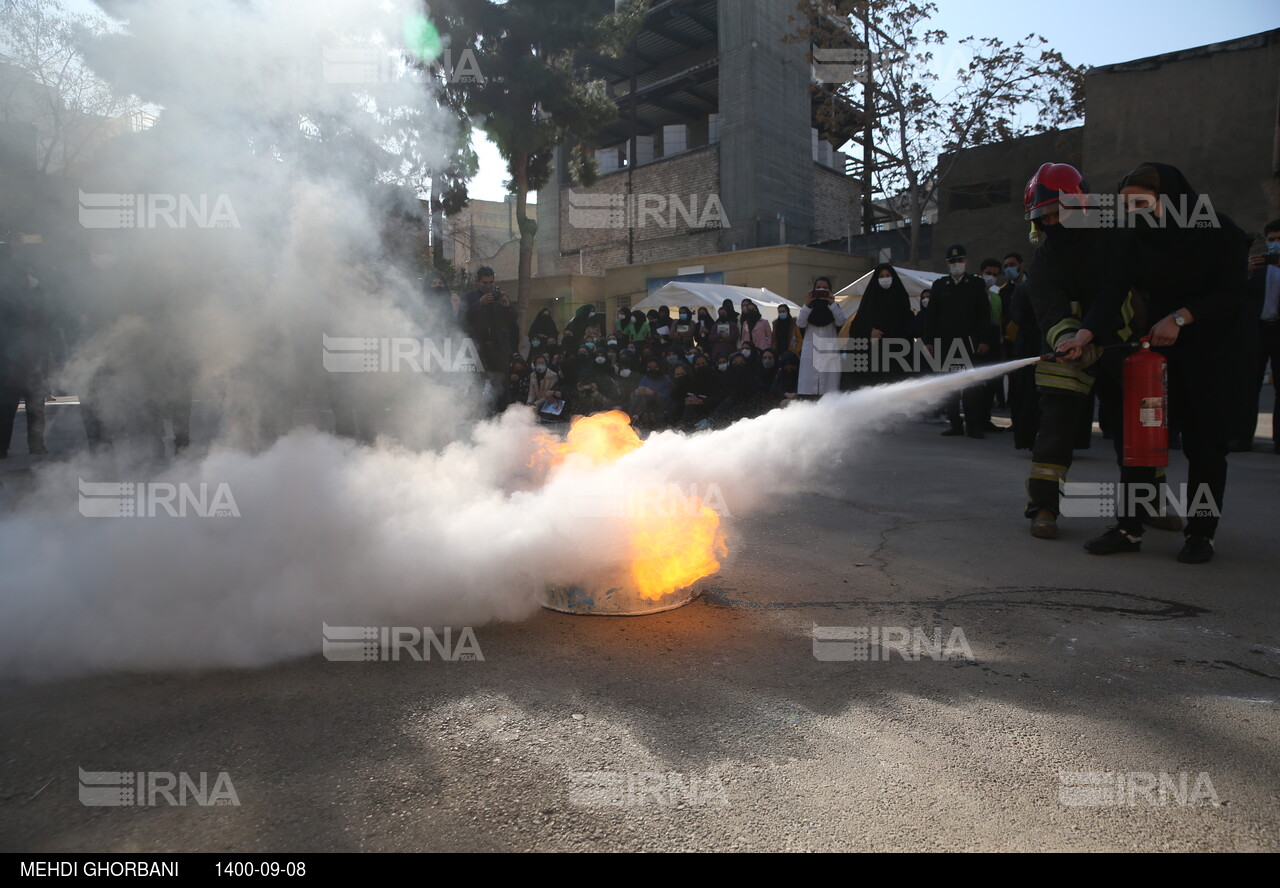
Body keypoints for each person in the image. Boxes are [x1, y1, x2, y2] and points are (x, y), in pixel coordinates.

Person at [1056, 162, 1250, 564]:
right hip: (1158, 356)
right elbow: (1111, 294)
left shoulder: (1219, 231)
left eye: (1142, 202)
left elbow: (1233, 294)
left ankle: (1201, 532)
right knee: (1139, 443)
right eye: (1128, 205)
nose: (1135, 211)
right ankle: (1128, 528)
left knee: (1204, 447)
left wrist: (1181, 317)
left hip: (1213, 353)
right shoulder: (1135, 239)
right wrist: (1084, 334)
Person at [925, 246, 993, 437]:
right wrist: (929, 341)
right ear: (948, 264)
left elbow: (984, 315)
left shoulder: (976, 284)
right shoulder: (939, 285)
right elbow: (931, 316)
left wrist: (984, 340)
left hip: (969, 344)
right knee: (950, 385)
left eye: (959, 261)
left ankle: (973, 426)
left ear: (966, 262)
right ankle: (955, 424)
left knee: (971, 386)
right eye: (952, 262)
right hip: (946, 345)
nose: (956, 265)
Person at [0, 243, 48, 458]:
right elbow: (43, 314)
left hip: (7, 351)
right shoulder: (31, 281)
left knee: (6, 404)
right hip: (31, 348)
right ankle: (36, 445)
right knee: (35, 401)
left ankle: (1, 447)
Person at [1239, 219, 1280, 454]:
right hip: (1257, 330)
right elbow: (1237, 294)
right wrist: (1245, 273)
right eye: (1271, 239)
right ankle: (1242, 437)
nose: (1275, 244)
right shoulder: (1258, 267)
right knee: (1247, 384)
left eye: (1279, 239)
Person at [845, 263, 914, 387]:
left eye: (888, 275)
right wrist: (869, 331)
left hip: (898, 355)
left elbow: (908, 324)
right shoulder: (870, 299)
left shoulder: (901, 297)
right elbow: (855, 328)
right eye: (881, 276)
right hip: (874, 356)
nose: (885, 278)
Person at [462, 266, 518, 408]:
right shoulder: (469, 297)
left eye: (490, 282)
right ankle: (474, 417)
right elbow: (462, 318)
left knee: (502, 387)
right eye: (484, 283)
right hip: (477, 349)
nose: (488, 286)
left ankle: (503, 417)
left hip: (498, 349)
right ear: (477, 281)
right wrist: (479, 304)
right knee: (476, 385)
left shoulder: (499, 297)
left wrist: (507, 306)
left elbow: (513, 320)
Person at [797, 276, 847, 397]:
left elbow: (841, 321)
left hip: (828, 351)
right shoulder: (809, 307)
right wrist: (807, 304)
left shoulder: (833, 307)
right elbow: (800, 323)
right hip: (811, 351)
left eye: (825, 288)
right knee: (809, 389)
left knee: (828, 389)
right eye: (818, 287)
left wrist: (832, 303)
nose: (821, 290)